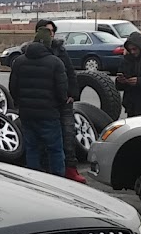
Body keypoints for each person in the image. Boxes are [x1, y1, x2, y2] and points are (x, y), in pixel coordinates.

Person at [35, 20, 87, 184]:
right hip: (45, 103)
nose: (50, 34)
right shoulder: (30, 52)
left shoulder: (60, 50)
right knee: (43, 139)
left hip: (63, 101)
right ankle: (46, 170)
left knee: (68, 134)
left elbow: (70, 73)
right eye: (46, 31)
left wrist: (72, 93)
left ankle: (70, 169)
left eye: (52, 31)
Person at [8, 34, 69, 175]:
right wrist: (60, 104)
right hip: (49, 114)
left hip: (27, 114)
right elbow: (62, 90)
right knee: (55, 149)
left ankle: (34, 179)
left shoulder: (19, 61)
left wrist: (20, 103)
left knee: (32, 148)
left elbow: (13, 87)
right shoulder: (56, 62)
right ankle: (59, 179)